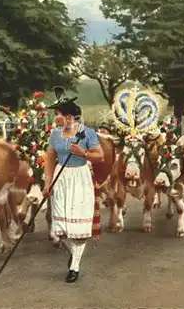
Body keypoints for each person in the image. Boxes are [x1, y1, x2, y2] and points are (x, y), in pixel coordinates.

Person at [44, 87, 104, 283]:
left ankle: (75, 266)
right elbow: (50, 159)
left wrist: (83, 154)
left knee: (78, 226)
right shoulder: (55, 134)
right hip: (61, 178)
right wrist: (48, 182)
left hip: (80, 178)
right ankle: (72, 253)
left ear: (69, 116)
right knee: (58, 230)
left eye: (58, 115)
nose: (56, 119)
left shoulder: (88, 134)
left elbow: (100, 157)